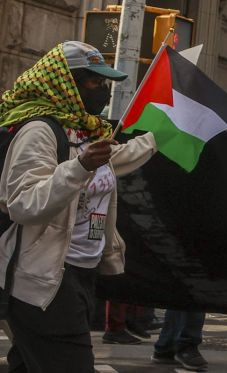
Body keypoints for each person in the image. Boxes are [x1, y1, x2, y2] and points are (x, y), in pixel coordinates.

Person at [0, 41, 158, 373]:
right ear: (65, 82)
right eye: (93, 82)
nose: (101, 91)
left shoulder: (83, 130)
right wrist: (80, 167)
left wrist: (161, 135)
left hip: (81, 277)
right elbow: (24, 202)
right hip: (44, 283)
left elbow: (115, 159)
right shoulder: (39, 131)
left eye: (104, 83)